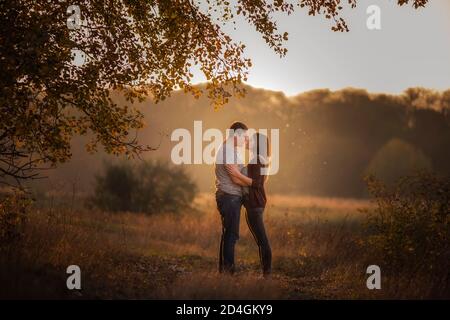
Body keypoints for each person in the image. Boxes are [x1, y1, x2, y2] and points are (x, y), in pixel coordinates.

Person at [225, 132, 272, 277]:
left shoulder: (257, 160)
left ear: (257, 144)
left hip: (255, 205)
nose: (247, 141)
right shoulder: (256, 159)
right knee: (260, 240)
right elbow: (245, 182)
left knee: (262, 240)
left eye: (250, 140)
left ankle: (267, 275)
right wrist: (235, 175)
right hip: (253, 205)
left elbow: (256, 184)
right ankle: (266, 274)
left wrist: (236, 174)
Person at [214, 121, 249, 274]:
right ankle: (229, 272)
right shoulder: (228, 151)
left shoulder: (231, 150)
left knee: (228, 234)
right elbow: (235, 179)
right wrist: (254, 183)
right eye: (244, 137)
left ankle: (225, 271)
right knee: (231, 235)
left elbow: (237, 174)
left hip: (229, 196)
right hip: (230, 197)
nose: (245, 140)